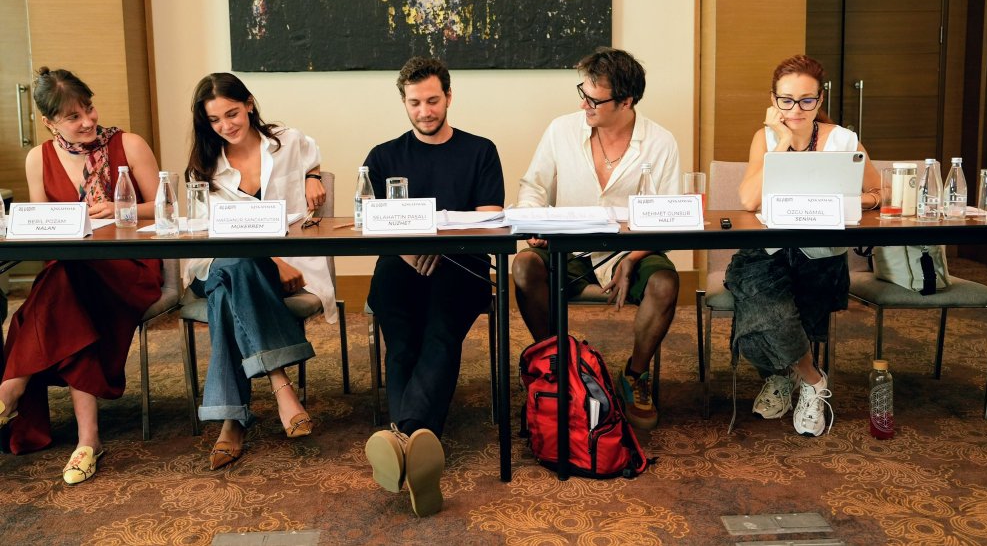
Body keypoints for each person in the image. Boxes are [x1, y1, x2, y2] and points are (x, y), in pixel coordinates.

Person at [0, 67, 163, 484]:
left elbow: (167, 207)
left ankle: (10, 390)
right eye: (74, 117)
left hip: (129, 267)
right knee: (69, 289)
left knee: (55, 292)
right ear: (49, 122)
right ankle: (87, 440)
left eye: (89, 108)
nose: (88, 121)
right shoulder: (38, 158)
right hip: (72, 274)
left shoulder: (129, 144)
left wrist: (121, 208)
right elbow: (42, 229)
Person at [362, 56, 504, 518]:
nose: (424, 111)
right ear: (404, 102)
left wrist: (438, 245)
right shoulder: (382, 156)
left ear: (449, 97)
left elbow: (490, 220)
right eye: (415, 102)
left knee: (441, 332)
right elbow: (370, 220)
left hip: (461, 265)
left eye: (432, 100)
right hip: (400, 265)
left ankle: (403, 438)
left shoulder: (480, 151)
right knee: (402, 342)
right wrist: (408, 250)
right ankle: (417, 443)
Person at [512, 47, 681, 431]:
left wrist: (632, 258)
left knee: (665, 283)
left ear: (626, 101)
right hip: (567, 247)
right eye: (582, 94)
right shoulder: (561, 130)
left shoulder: (661, 142)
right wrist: (535, 221)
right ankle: (556, 366)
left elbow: (668, 215)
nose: (583, 104)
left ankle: (635, 375)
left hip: (631, 248)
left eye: (594, 99)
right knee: (523, 267)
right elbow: (533, 187)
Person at [183, 72, 338, 470]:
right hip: (215, 263)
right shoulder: (204, 167)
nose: (225, 126)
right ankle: (280, 383)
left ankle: (232, 421)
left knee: (227, 292)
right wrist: (271, 260)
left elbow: (312, 156)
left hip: (250, 272)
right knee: (234, 265)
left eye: (232, 113)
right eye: (214, 120)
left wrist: (312, 176)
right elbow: (214, 235)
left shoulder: (287, 141)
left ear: (249, 104)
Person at [728, 54, 880, 437]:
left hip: (821, 255)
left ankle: (782, 375)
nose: (796, 109)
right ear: (773, 100)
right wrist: (781, 143)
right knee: (756, 290)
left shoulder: (843, 140)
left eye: (807, 100)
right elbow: (748, 199)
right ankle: (811, 379)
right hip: (767, 251)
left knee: (770, 304)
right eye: (786, 100)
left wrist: (843, 200)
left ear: (820, 99)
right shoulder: (765, 138)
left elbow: (880, 191)